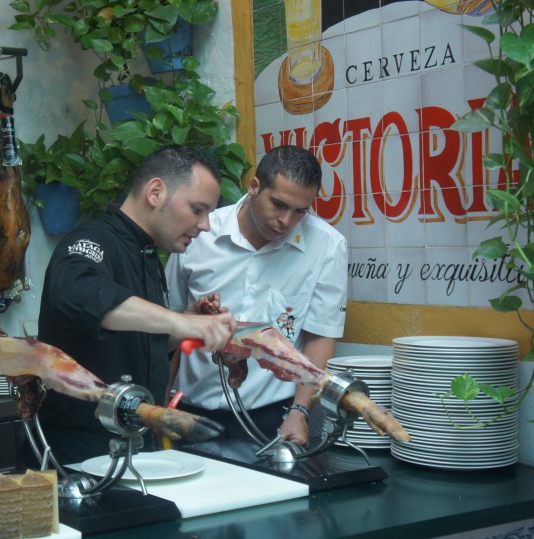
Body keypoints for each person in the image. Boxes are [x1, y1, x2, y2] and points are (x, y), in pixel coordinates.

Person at [36, 144, 237, 464]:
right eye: (197, 209)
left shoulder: (147, 253)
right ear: (155, 192)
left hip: (134, 443)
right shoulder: (92, 241)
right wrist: (182, 322)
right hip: (82, 452)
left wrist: (183, 327)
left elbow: (130, 346)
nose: (205, 225)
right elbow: (80, 294)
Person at [164, 145, 348, 446]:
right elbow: (170, 325)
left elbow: (320, 337)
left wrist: (300, 412)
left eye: (300, 211)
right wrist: (160, 407)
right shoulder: (200, 233)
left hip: (272, 418)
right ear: (254, 186)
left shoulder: (327, 246)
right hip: (190, 411)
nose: (286, 220)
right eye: (278, 204)